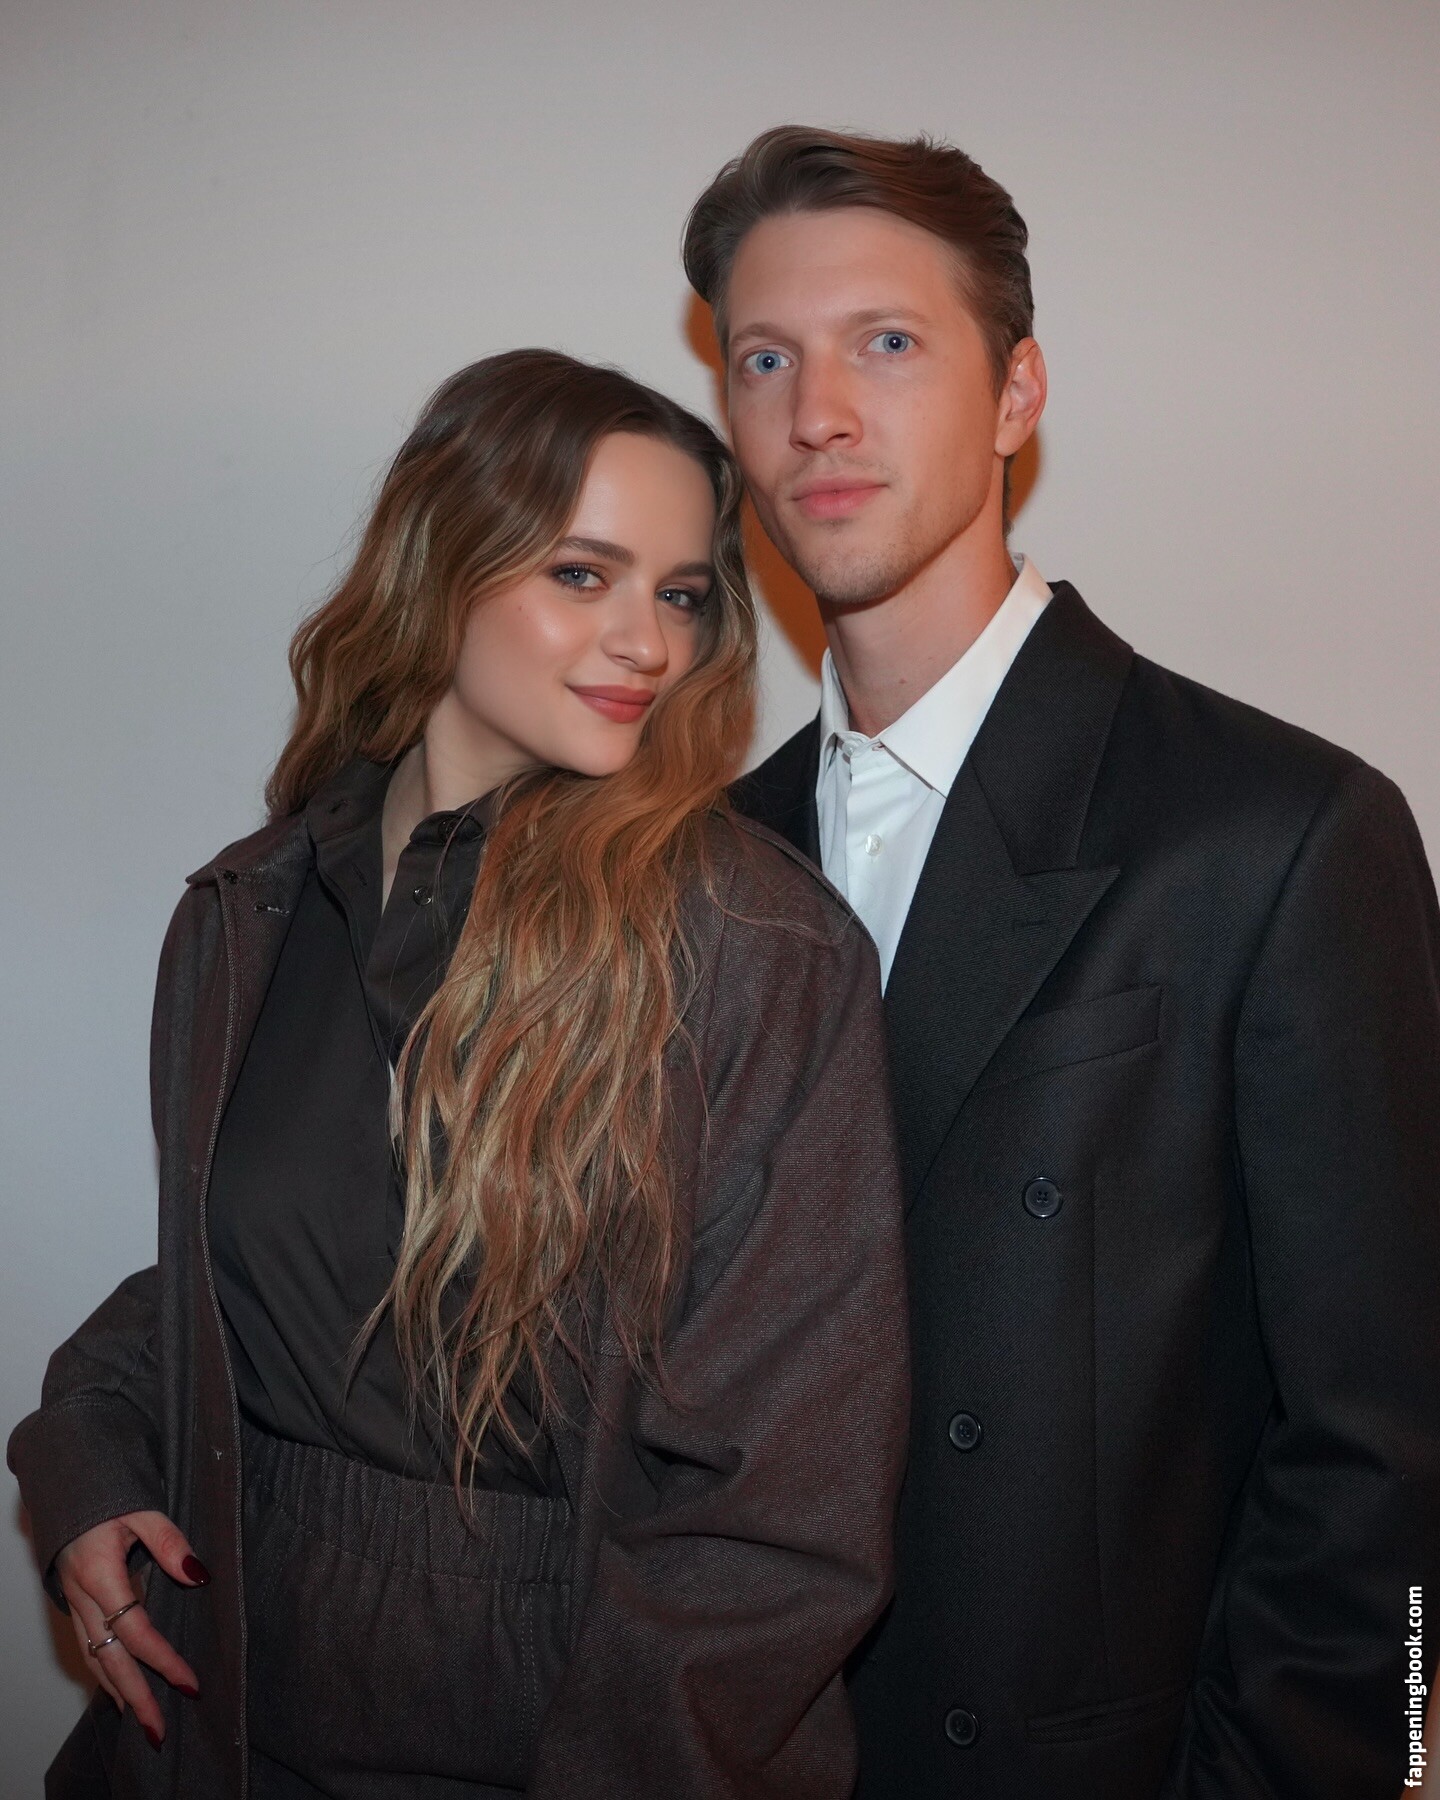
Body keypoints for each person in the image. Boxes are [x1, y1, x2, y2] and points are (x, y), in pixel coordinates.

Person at [8, 348, 909, 1800]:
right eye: (583, 574)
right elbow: (245, 1280)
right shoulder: (252, 910)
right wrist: (84, 1454)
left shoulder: (749, 953)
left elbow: (781, 1511)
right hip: (203, 1723)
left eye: (682, 594)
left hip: (546, 1744)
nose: (647, 643)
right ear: (441, 565)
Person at [686, 126, 1440, 1799]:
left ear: (1016, 394)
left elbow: (1393, 1446)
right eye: (765, 358)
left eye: (888, 342)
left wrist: (1338, 1769)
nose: (818, 412)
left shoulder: (1276, 831)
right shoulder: (703, 866)